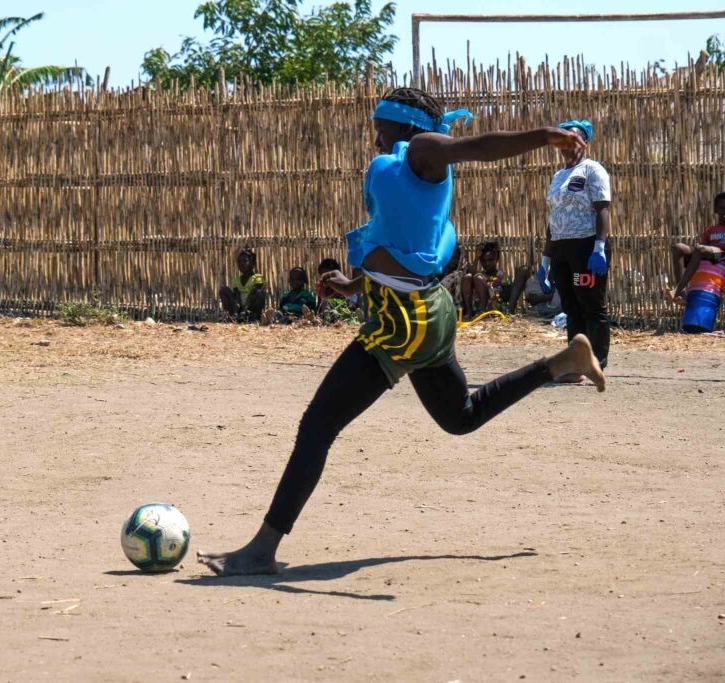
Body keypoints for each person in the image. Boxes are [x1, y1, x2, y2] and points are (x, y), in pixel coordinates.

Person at [198, 87, 606, 577]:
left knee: (317, 426)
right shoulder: (410, 173)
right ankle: (561, 363)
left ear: (404, 125)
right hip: (425, 314)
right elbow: (403, 247)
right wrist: (352, 284)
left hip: (404, 323)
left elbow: (479, 147)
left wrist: (544, 136)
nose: (375, 134)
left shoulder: (422, 150)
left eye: (380, 125)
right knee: (461, 416)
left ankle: (262, 550)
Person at [537, 119, 612, 383]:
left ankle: (598, 363)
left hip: (586, 248)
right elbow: (554, 217)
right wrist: (546, 259)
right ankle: (574, 365)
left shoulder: (593, 170)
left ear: (585, 142)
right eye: (564, 141)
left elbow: (603, 209)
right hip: (561, 250)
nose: (569, 146)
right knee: (571, 306)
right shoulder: (558, 176)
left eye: (575, 139)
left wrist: (599, 248)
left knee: (591, 305)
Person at [666, 192, 725, 305]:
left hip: (722, 255)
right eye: (722, 209)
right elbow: (701, 249)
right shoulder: (710, 230)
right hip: (709, 255)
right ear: (716, 210)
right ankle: (682, 292)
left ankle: (676, 291)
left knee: (700, 249)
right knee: (678, 248)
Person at [460, 241, 513, 315]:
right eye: (483, 261)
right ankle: (469, 311)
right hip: (477, 308)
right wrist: (477, 258)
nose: (487, 263)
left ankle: (482, 310)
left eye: (490, 260)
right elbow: (469, 275)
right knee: (468, 277)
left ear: (497, 259)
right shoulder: (480, 275)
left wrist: (491, 290)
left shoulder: (502, 276)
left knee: (478, 278)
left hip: (496, 309)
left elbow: (507, 296)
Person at [219, 248, 265, 322]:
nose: (241, 264)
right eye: (239, 261)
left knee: (259, 293)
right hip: (240, 308)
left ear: (252, 263)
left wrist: (245, 310)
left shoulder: (257, 277)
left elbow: (253, 295)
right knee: (224, 290)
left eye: (244, 261)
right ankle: (233, 315)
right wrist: (237, 310)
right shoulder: (236, 280)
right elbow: (237, 297)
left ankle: (251, 316)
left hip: (252, 308)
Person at [315, 258, 359, 322]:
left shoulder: (347, 289)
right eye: (324, 279)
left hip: (345, 318)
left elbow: (353, 305)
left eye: (329, 278)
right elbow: (318, 309)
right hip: (327, 319)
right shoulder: (323, 293)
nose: (327, 282)